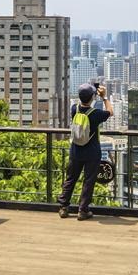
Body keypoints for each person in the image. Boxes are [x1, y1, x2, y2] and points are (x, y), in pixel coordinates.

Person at [58, 83, 112, 220]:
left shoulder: (74, 108)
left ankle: (63, 207)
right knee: (88, 181)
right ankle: (83, 210)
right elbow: (110, 112)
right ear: (93, 97)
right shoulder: (96, 114)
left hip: (76, 149)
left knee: (70, 178)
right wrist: (104, 97)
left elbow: (82, 102)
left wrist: (89, 92)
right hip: (92, 152)